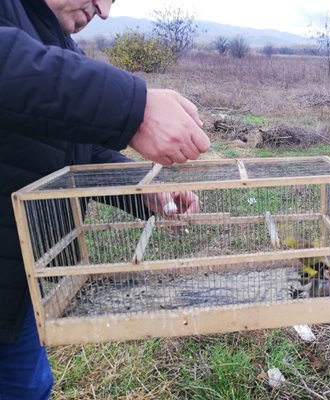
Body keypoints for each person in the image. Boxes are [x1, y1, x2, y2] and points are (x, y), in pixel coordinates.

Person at [0, 0, 211, 398]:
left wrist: (145, 190)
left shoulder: (55, 38)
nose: (103, 11)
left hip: (18, 279)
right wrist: (136, 109)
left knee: (30, 386)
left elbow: (79, 146)